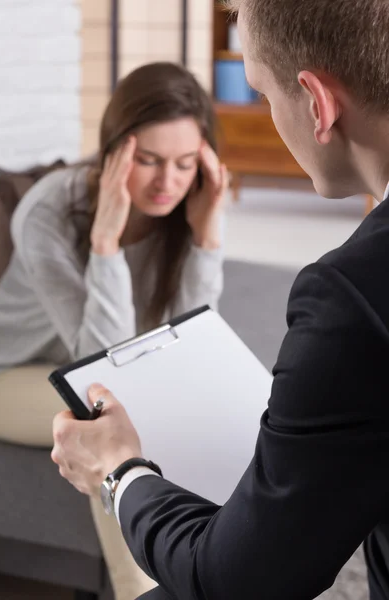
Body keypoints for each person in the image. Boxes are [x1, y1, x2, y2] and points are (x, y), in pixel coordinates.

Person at [52, 1, 389, 599]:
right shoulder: (54, 215)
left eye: (261, 92)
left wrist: (120, 472)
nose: (168, 179)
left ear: (317, 103)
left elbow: (237, 581)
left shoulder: (350, 295)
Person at [0, 62, 229, 600]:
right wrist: (105, 245)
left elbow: (187, 347)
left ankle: (216, 561)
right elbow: (96, 360)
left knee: (194, 409)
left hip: (102, 372)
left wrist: (207, 241)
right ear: (114, 151)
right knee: (111, 422)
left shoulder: (193, 200)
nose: (168, 181)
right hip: (4, 375)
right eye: (148, 161)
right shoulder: (48, 211)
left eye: (186, 162)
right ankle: (141, 592)